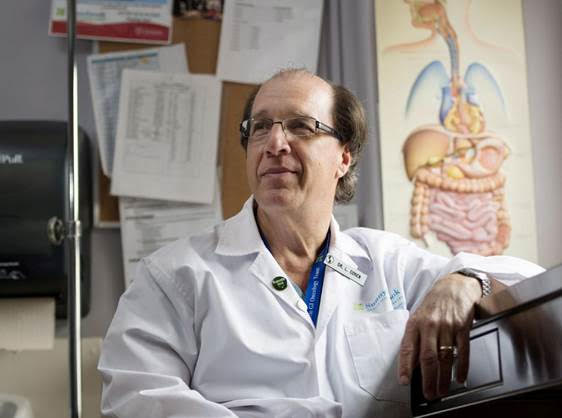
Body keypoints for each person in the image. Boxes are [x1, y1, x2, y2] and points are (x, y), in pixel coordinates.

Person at [98, 69, 543, 417]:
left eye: (301, 126)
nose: (275, 143)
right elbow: (136, 397)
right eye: (260, 127)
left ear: (343, 156)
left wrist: (465, 280)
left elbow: (536, 287)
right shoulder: (177, 274)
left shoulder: (384, 262)